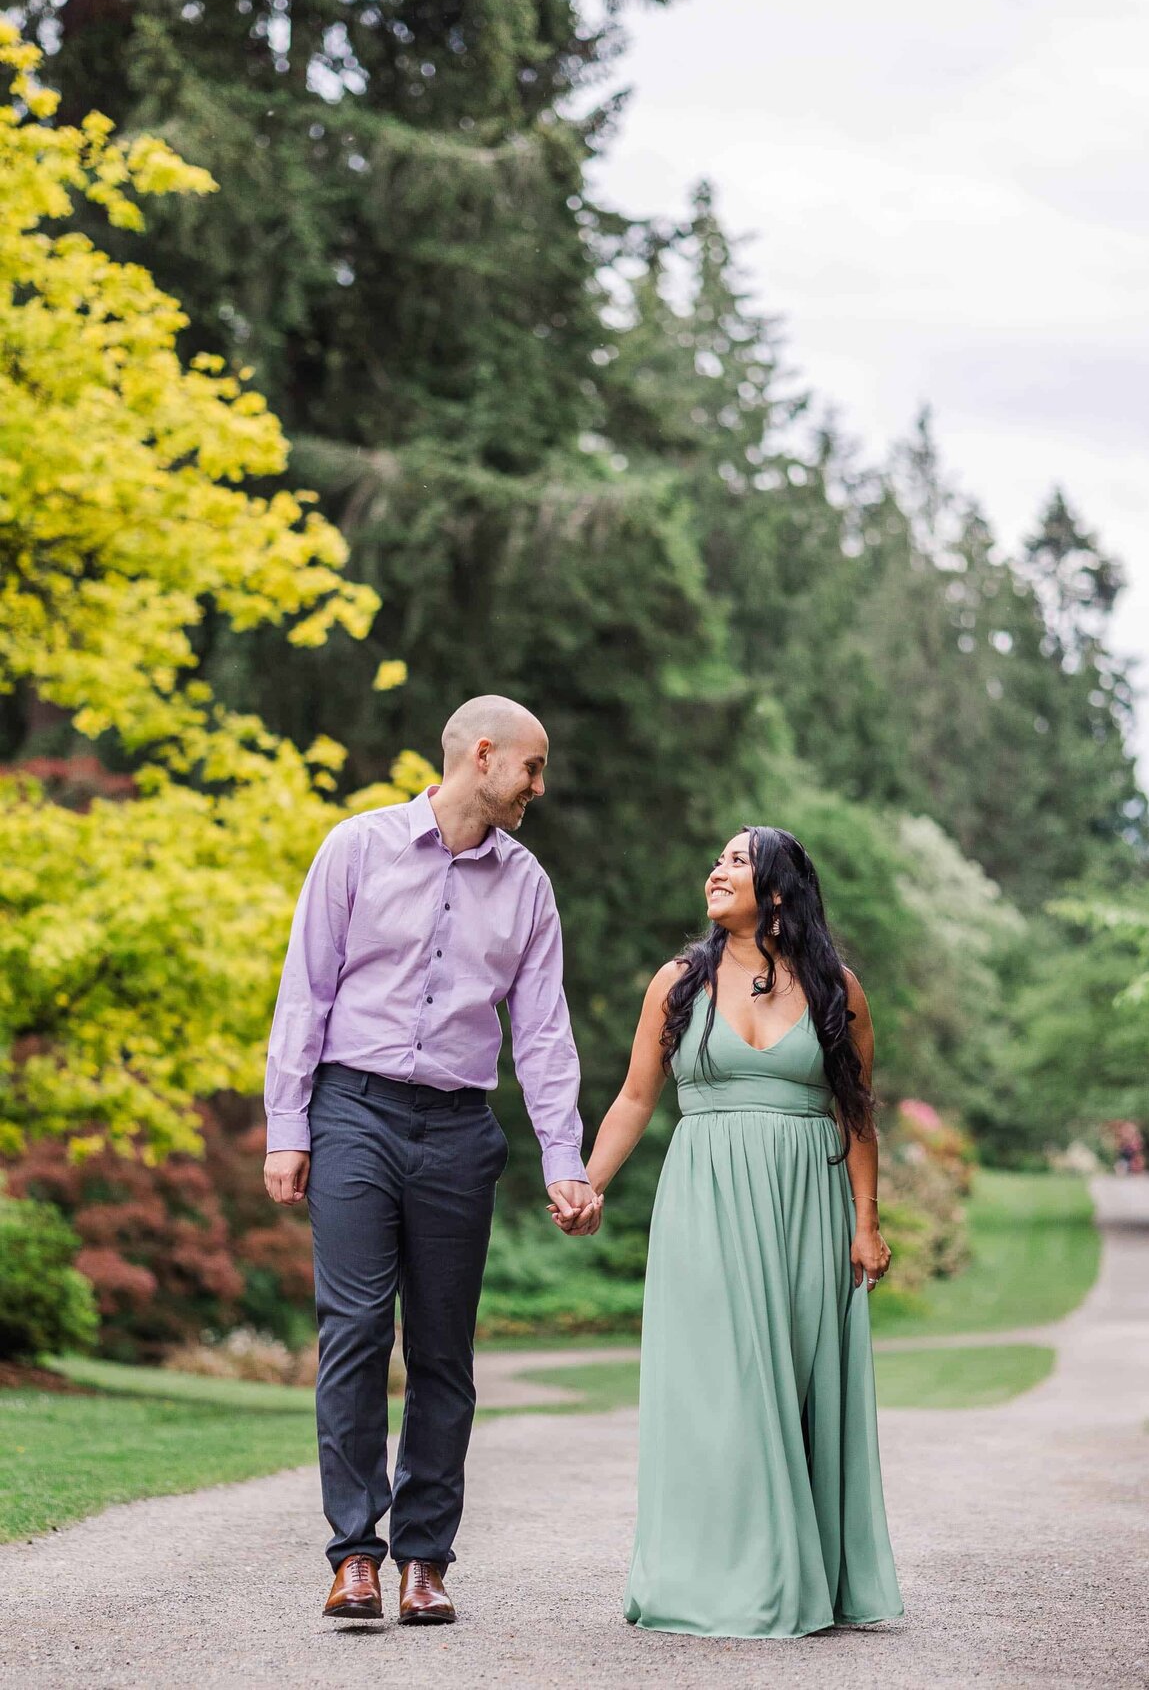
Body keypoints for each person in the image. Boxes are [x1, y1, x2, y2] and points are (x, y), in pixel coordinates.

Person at [263, 696, 597, 1625]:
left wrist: (562, 1158)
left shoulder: (526, 884)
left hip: (457, 1128)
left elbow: (541, 1033)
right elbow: (306, 990)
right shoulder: (357, 848)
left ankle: (424, 1559)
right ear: (482, 756)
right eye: (531, 767)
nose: (539, 785)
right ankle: (354, 1554)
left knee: (444, 1349)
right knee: (356, 1330)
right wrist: (287, 1125)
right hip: (353, 1111)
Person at [558, 825, 903, 1638]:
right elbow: (637, 1097)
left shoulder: (836, 989)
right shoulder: (677, 983)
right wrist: (588, 1181)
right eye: (715, 857)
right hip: (706, 1198)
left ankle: (805, 1571)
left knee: (793, 1382)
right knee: (719, 1387)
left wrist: (867, 1223)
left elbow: (857, 1111)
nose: (716, 869)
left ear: (778, 890)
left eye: (737, 860)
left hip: (806, 1204)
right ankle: (715, 1576)